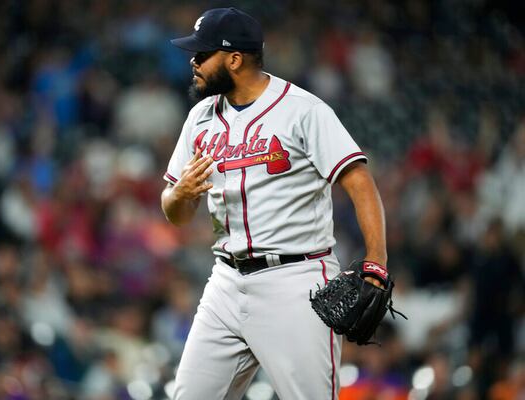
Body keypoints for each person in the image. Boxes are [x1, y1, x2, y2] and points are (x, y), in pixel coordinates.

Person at [161, 7, 387, 399]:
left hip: (295, 281)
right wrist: (178, 196)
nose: (193, 62)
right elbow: (175, 214)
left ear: (234, 59)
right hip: (225, 282)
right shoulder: (200, 118)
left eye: (202, 54)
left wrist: (377, 262)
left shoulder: (303, 111)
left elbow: (359, 182)